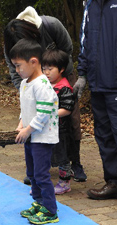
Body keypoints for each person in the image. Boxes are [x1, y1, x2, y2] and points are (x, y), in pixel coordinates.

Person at [4, 6, 87, 184]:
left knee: (70, 121)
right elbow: (15, 72)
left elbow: (67, 49)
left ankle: (76, 163)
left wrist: (59, 77)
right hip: (33, 82)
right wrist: (26, 92)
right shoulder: (10, 40)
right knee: (35, 120)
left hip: (61, 76)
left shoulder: (51, 25)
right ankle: (39, 166)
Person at [10, 38, 59, 224]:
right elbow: (25, 108)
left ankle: (50, 210)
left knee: (41, 174)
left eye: (18, 65)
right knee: (31, 173)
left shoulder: (42, 85)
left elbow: (45, 112)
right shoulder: (25, 83)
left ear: (33, 62)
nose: (16, 70)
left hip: (42, 137)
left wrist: (28, 129)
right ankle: (39, 202)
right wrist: (21, 124)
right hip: (30, 135)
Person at [75, 0, 117, 200]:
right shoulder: (90, 6)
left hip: (114, 83)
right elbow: (85, 42)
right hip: (97, 84)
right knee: (104, 135)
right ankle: (113, 182)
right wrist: (82, 74)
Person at [42, 49, 75, 195]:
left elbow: (67, 109)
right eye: (44, 69)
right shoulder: (45, 84)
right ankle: (41, 181)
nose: (46, 72)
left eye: (50, 69)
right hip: (47, 128)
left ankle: (65, 182)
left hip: (61, 130)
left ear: (61, 69)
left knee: (62, 157)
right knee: (46, 154)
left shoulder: (65, 88)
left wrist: (50, 114)